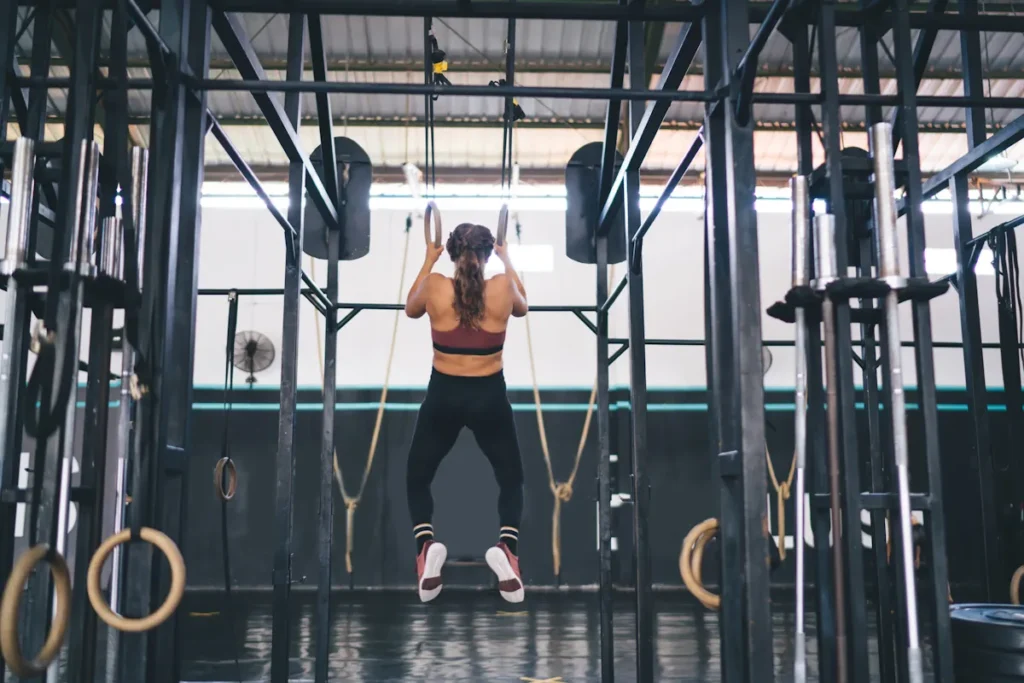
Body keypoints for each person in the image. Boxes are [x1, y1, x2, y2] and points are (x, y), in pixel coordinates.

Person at [404, 221, 529, 604]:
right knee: (511, 478)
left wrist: (428, 260)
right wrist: (508, 260)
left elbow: (411, 309)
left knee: (417, 476)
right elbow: (523, 307)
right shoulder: (503, 287)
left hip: (444, 394)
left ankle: (427, 547)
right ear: (488, 254)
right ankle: (506, 547)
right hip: (489, 395)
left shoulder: (437, 286)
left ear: (454, 253)